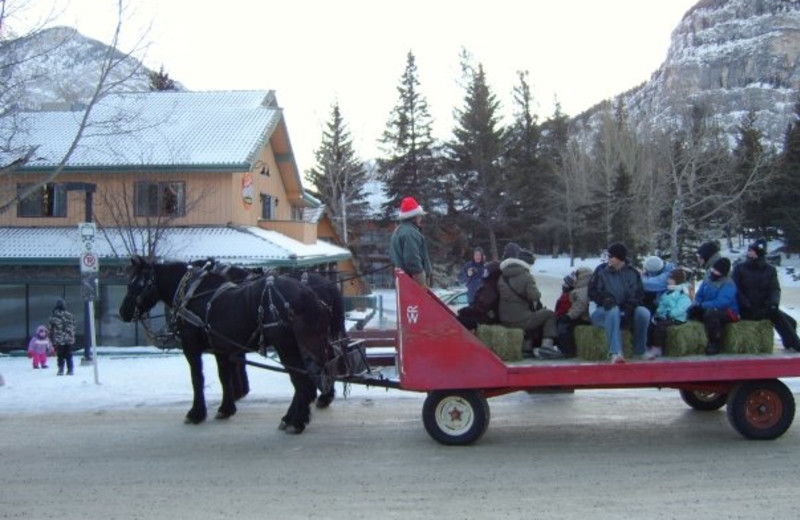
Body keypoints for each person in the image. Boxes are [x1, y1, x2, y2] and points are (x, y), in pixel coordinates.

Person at [732, 239, 800, 351]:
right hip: (746, 308)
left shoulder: (770, 270)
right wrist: (744, 303)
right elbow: (736, 289)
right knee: (777, 316)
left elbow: (775, 289)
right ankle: (796, 344)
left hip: (763, 306)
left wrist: (773, 303)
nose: (749, 252)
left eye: (752, 251)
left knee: (791, 321)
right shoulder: (740, 269)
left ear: (759, 253)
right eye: (749, 250)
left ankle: (789, 343)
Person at [588, 242, 651, 363]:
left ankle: (640, 350)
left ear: (620, 258)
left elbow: (639, 293)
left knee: (643, 312)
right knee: (613, 310)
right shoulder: (601, 271)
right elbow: (592, 291)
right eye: (608, 256)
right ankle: (615, 352)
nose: (609, 259)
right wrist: (604, 299)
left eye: (611, 256)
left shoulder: (633, 273)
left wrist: (630, 306)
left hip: (626, 311)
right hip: (604, 311)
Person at [497, 242, 558, 358]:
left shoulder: (502, 276)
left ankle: (526, 347)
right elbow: (535, 296)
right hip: (520, 320)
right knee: (549, 314)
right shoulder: (526, 275)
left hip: (504, 319)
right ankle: (547, 346)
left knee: (529, 313)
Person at [689, 257, 738, 356]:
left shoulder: (728, 284)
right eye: (713, 269)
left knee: (711, 315)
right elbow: (700, 295)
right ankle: (694, 341)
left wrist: (703, 305)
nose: (713, 271)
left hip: (727, 311)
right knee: (692, 312)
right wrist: (696, 304)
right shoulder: (708, 279)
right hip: (707, 306)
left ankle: (715, 343)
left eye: (716, 271)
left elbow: (722, 302)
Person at [646, 268, 692, 359]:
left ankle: (658, 348)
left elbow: (681, 307)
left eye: (670, 279)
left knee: (661, 327)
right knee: (651, 325)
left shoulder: (682, 292)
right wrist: (659, 313)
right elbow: (662, 304)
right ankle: (649, 346)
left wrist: (670, 314)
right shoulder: (667, 292)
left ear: (676, 280)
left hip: (677, 318)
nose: (668, 280)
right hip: (666, 316)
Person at [389, 196, 432, 288]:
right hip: (412, 282)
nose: (421, 218)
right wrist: (421, 282)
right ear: (414, 217)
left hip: (403, 282)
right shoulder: (410, 233)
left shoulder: (398, 230)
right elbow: (412, 259)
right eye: (419, 216)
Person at [554, 267, 593, 358]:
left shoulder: (583, 289)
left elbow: (580, 305)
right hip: (580, 315)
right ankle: (561, 346)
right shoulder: (579, 288)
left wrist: (569, 316)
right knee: (561, 322)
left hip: (584, 317)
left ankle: (567, 350)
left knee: (565, 326)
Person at [49, 298, 77, 376]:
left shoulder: (54, 316)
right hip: (69, 339)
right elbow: (74, 326)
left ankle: (61, 369)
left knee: (60, 356)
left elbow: (50, 328)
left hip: (59, 339)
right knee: (69, 355)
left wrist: (51, 339)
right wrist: (72, 334)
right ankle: (70, 370)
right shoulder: (70, 315)